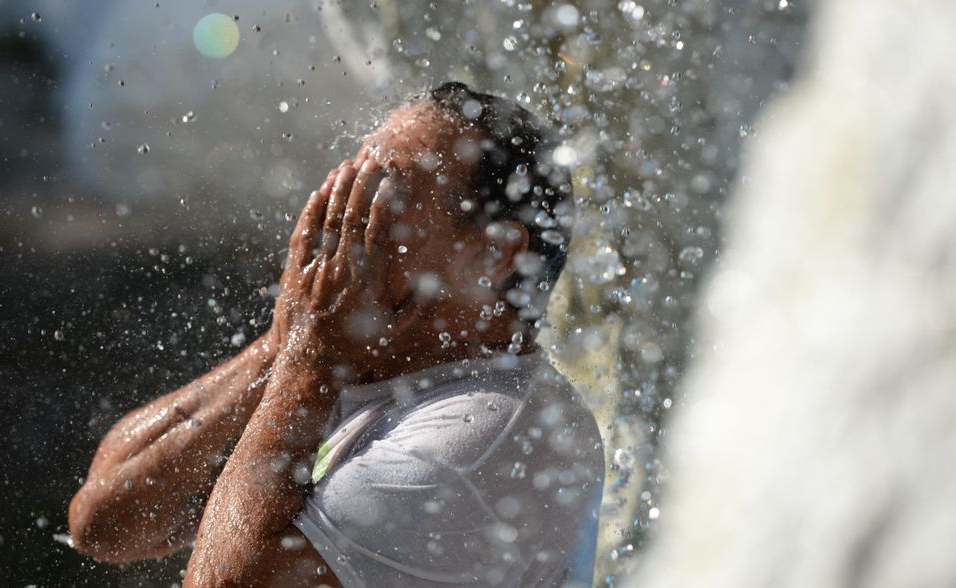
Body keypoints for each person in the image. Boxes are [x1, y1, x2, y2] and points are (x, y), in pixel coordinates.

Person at [68, 82, 604, 587]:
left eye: (382, 185)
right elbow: (104, 523)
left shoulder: (475, 441)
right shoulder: (372, 363)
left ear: (492, 254)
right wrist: (285, 346)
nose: (337, 204)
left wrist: (308, 362)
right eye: (351, 174)